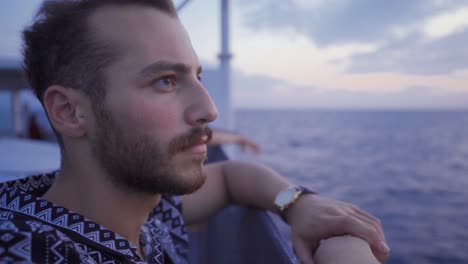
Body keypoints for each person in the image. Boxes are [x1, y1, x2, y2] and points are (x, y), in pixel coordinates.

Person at [0, 1, 389, 263]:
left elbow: (234, 178)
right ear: (69, 111)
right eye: (165, 81)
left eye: (196, 76)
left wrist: (299, 203)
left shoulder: (149, 210)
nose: (209, 109)